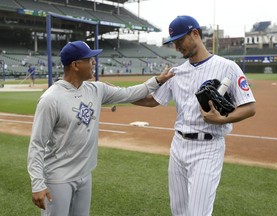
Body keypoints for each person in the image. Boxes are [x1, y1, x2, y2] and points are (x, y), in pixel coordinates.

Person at [27, 40, 173, 216]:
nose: (94, 63)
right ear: (75, 65)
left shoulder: (97, 89)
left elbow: (129, 93)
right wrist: (37, 184)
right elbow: (37, 144)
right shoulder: (51, 99)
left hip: (85, 174)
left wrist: (156, 81)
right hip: (58, 178)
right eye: (90, 59)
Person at [133, 15, 256, 216]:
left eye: (180, 40)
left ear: (195, 33)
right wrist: (116, 95)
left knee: (198, 212)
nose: (177, 47)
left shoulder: (227, 67)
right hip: (178, 145)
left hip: (208, 147)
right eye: (174, 43)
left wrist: (221, 119)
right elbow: (151, 100)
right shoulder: (176, 72)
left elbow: (250, 107)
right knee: (178, 211)